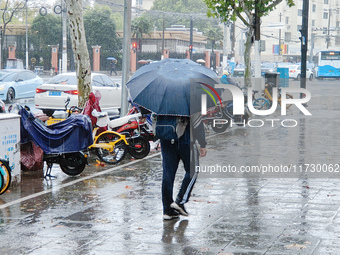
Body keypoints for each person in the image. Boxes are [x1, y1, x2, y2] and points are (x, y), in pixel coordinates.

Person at [161, 113, 207, 220]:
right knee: (193, 170)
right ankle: (180, 201)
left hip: (166, 140)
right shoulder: (189, 98)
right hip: (186, 141)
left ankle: (167, 211)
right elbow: (197, 124)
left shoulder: (161, 101)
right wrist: (203, 144)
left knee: (168, 175)